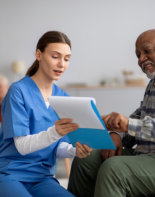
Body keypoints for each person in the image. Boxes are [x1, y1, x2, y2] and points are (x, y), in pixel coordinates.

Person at [68, 29, 155, 197]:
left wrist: (127, 124)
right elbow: (139, 119)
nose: (141, 59)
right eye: (138, 55)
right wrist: (116, 134)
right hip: (148, 156)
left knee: (114, 169)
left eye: (147, 51)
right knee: (86, 158)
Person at [0, 31, 92, 197]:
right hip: (9, 174)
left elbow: (57, 147)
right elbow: (21, 146)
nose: (61, 64)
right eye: (55, 56)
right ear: (39, 54)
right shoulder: (18, 91)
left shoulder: (64, 98)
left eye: (66, 58)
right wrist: (55, 132)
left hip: (42, 178)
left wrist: (74, 151)